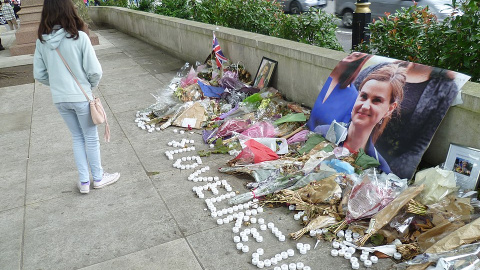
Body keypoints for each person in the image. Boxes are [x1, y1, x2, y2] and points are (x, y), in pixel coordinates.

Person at [33, 0, 119, 194]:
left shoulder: (42, 41)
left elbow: (39, 74)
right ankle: (98, 178)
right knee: (90, 137)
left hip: (60, 99)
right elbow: (95, 71)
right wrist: (89, 88)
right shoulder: (79, 38)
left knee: (77, 137)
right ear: (69, 10)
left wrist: (57, 85)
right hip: (81, 97)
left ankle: (84, 182)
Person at [354, 61, 459, 179]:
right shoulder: (378, 69)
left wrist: (392, 176)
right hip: (355, 144)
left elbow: (420, 144)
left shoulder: (444, 87)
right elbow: (350, 102)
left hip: (391, 160)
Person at [315, 64, 407, 173]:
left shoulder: (379, 168)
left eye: (377, 100)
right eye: (363, 97)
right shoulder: (322, 133)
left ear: (390, 109)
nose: (365, 106)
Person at [307, 52, 373, 130]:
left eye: (357, 56)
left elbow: (339, 130)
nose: (351, 56)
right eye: (351, 55)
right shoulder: (323, 76)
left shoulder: (352, 96)